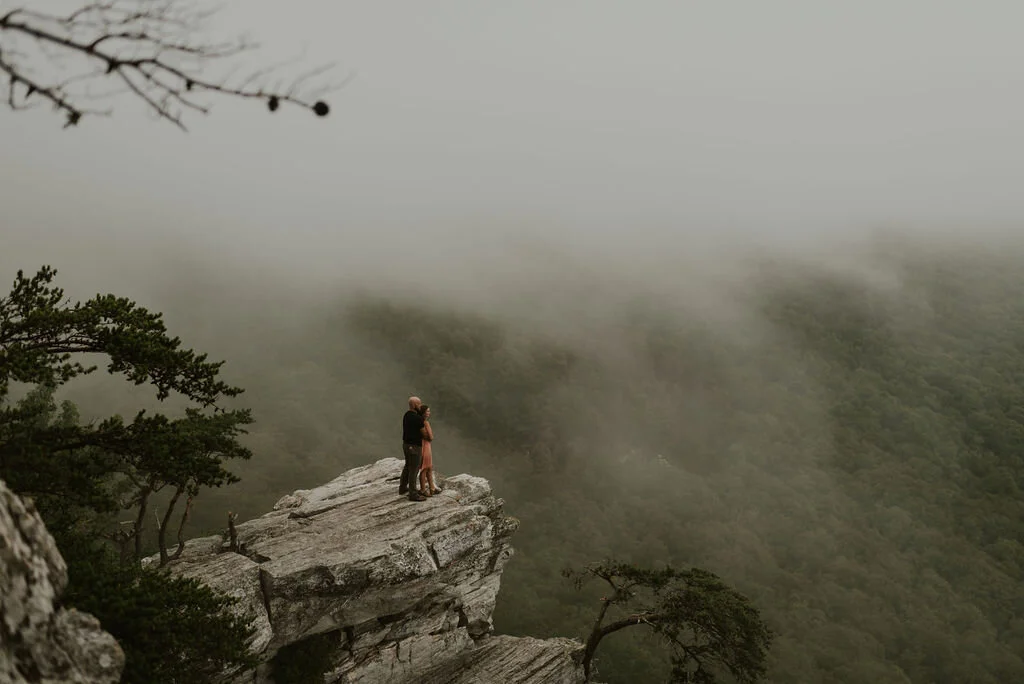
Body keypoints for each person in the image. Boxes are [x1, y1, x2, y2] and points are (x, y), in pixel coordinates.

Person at [401, 396, 428, 501]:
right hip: (415, 446)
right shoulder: (417, 418)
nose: (420, 406)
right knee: (414, 469)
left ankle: (402, 488)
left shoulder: (406, 415)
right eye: (419, 404)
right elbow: (425, 434)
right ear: (415, 405)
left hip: (406, 444)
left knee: (408, 466)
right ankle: (413, 494)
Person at [417, 404, 442, 497]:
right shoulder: (425, 423)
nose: (429, 413)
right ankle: (423, 489)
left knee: (429, 467)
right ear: (423, 413)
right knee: (425, 468)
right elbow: (431, 437)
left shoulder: (418, 422)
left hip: (422, 444)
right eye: (427, 411)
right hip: (426, 446)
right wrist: (429, 435)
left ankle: (432, 488)